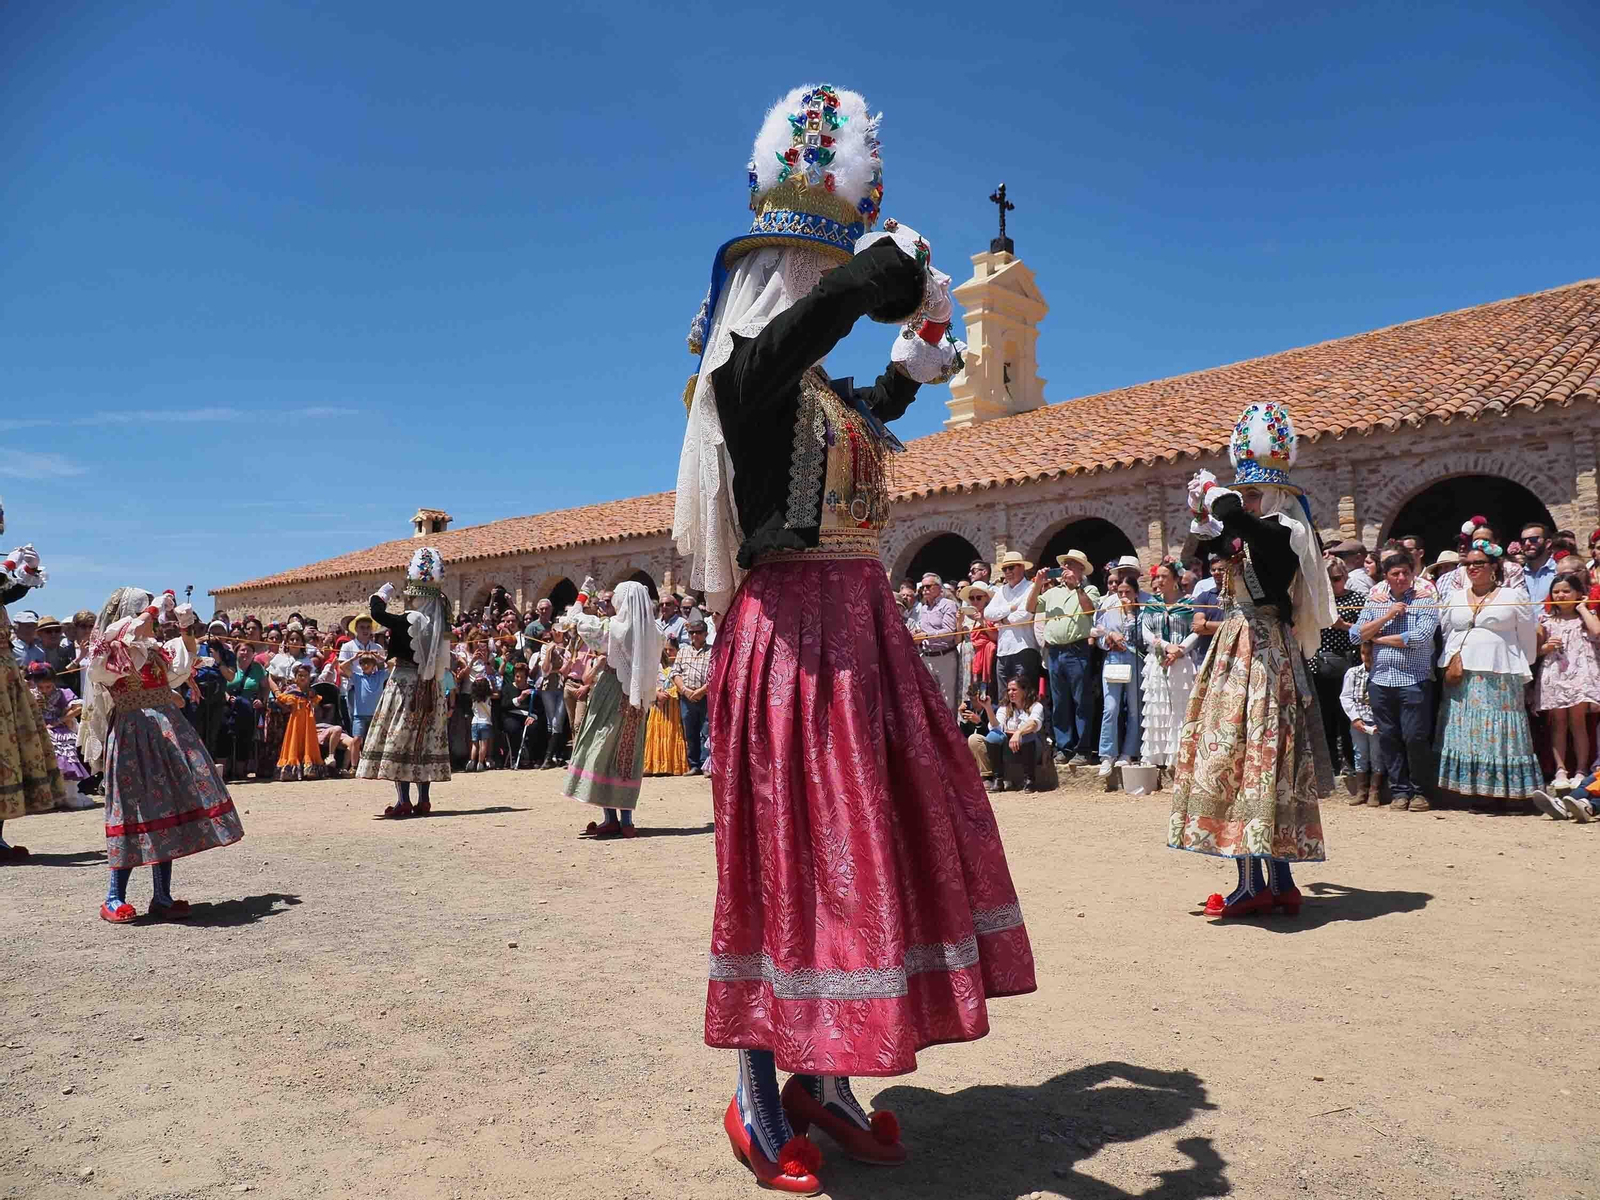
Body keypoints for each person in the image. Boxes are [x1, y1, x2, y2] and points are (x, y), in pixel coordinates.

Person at [672, 84, 1032, 1193]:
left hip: (860, 640)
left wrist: (903, 378)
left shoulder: (818, 395)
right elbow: (767, 361)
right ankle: (753, 1096)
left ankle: (825, 1083)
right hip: (791, 647)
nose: (817, 297)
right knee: (789, 867)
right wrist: (870, 276)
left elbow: (844, 425)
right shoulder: (750, 378)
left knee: (861, 859)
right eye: (809, 284)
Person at [1171, 401, 1337, 917]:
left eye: (1255, 492)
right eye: (1244, 492)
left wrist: (1224, 504)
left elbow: (1257, 540)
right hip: (1241, 646)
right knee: (1244, 756)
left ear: (1275, 492)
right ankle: (1274, 881)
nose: (1248, 499)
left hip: (1264, 650)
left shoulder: (1286, 532)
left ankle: (1259, 883)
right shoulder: (1250, 528)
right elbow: (1196, 553)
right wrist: (1201, 511)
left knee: (1255, 757)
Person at [83, 589, 243, 921]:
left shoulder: (154, 651)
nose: (153, 620)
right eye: (145, 613)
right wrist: (151, 613)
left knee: (165, 806)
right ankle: (113, 897)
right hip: (132, 735)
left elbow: (179, 668)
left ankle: (162, 896)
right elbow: (111, 659)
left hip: (166, 732)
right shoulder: (111, 651)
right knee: (133, 811)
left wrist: (186, 630)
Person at [1429, 539, 1541, 810]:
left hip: (1500, 673)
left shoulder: (1513, 596)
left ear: (1493, 566)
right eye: (1467, 563)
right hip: (1462, 674)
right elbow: (1446, 632)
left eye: (1478, 563)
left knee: (1497, 729)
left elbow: (1527, 636)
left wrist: (1524, 667)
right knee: (1466, 729)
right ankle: (1471, 791)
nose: (1472, 568)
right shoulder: (1455, 597)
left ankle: (1501, 791)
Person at [356, 547, 453, 818]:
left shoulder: (411, 619)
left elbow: (379, 615)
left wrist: (380, 595)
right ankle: (424, 800)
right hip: (432, 685)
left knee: (400, 740)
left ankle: (403, 801)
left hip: (405, 685)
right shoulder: (440, 620)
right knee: (423, 742)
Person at [563, 580, 662, 836]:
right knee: (626, 752)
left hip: (611, 691)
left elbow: (572, 618)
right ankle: (626, 820)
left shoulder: (612, 628)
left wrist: (584, 593)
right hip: (636, 698)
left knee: (601, 747)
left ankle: (610, 817)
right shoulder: (654, 632)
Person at [1354, 551, 1441, 812]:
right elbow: (1357, 635)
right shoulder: (1376, 601)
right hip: (1380, 680)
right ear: (1386, 577)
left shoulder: (1425, 600)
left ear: (1413, 574)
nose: (1401, 577)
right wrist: (1388, 615)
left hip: (1414, 679)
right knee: (1389, 737)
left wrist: (1377, 638)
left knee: (1415, 737)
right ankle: (1399, 791)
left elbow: (1421, 637)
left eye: (1406, 572)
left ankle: (1420, 792)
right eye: (1395, 574)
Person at [0, 539, 65, 858]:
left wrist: (25, 572)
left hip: (5, 674)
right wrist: (11, 568)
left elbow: (6, 593)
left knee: (9, 753)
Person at [1028, 550, 1100, 765]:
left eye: (1071, 564)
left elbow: (1089, 610)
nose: (1066, 568)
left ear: (1080, 570)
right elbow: (1030, 607)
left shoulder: (1089, 589)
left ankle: (1083, 749)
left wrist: (1077, 586)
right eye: (1064, 564)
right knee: (1059, 702)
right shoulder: (1051, 593)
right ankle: (1064, 747)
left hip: (1077, 650)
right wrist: (1038, 584)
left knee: (1081, 701)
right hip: (1055, 652)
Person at [1534, 571, 1600, 790]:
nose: (1560, 595)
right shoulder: (1545, 619)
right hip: (1555, 674)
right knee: (1558, 724)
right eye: (1556, 591)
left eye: (1566, 591)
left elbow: (1597, 631)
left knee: (1578, 722)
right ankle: (1560, 770)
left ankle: (1581, 769)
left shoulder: (1586, 616)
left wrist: (1582, 607)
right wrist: (1547, 647)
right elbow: (1536, 650)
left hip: (1580, 673)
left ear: (1578, 593)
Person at [1139, 561, 1197, 771]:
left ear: (1175, 580)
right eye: (1157, 577)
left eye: (1164, 576)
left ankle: (1179, 757)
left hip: (1181, 659)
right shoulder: (1152, 604)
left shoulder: (1189, 603)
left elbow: (1196, 629)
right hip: (1157, 659)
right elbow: (1146, 631)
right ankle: (1157, 757)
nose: (1159, 581)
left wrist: (1180, 649)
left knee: (1180, 706)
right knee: (1157, 705)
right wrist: (1165, 646)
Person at [1314, 559, 1364, 774]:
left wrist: (1342, 626)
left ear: (1345, 577)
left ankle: (1351, 763)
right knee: (1325, 716)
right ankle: (1330, 765)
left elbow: (1366, 631)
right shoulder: (1317, 600)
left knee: (1347, 715)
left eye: (1336, 578)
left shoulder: (1357, 599)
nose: (1333, 583)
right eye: (1328, 579)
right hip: (1319, 664)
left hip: (1348, 664)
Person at [1091, 575, 1144, 776]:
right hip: (1113, 659)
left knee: (1134, 708)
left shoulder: (1142, 608)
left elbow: (1138, 636)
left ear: (1135, 593)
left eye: (1127, 592)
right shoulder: (1108, 606)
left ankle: (1128, 752)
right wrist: (1109, 639)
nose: (1122, 595)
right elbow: (1098, 636)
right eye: (1120, 592)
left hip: (1134, 658)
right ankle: (1107, 755)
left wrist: (1130, 613)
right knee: (1111, 707)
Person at [983, 551, 1042, 694]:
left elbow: (1025, 615)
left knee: (1025, 696)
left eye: (1011, 568)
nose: (1007, 572)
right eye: (1005, 569)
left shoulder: (1030, 587)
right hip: (1003, 651)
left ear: (1022, 567)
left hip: (1024, 648)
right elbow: (987, 614)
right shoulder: (1001, 590)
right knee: (1005, 697)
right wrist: (1010, 608)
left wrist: (1002, 619)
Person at [25, 663, 89, 790]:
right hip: (37, 727)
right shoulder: (30, 694)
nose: (44, 690)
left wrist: (59, 720)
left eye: (48, 686)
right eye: (41, 687)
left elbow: (79, 708)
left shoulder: (63, 693)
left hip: (58, 728)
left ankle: (66, 790)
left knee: (64, 751)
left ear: (54, 682)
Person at [977, 674, 1043, 792]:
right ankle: (998, 780)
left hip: (1031, 748)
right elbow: (997, 727)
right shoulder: (1005, 708)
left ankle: (1030, 780)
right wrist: (988, 708)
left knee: (1028, 734)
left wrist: (1018, 733)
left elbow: (1033, 724)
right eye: (1008, 690)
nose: (1010, 693)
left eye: (1014, 689)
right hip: (1010, 748)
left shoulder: (1036, 706)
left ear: (1024, 690)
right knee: (993, 736)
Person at [913, 572, 962, 712]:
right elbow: (921, 629)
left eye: (928, 586)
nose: (925, 590)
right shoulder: (922, 608)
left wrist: (926, 635)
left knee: (947, 701)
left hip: (945, 656)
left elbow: (949, 633)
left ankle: (950, 732)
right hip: (927, 657)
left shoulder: (948, 605)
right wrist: (917, 633)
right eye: (922, 587)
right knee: (929, 700)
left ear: (939, 588)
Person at [268, 663, 325, 781]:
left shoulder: (312, 692)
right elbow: (279, 699)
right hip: (295, 722)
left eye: (305, 675)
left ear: (310, 677)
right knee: (294, 741)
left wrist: (311, 699)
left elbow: (316, 703)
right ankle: (292, 769)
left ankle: (309, 769)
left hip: (308, 722)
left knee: (308, 743)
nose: (303, 677)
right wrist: (287, 709)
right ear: (295, 677)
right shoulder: (292, 690)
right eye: (300, 675)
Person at [1341, 641, 1381, 806]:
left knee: (1377, 755)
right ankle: (1361, 791)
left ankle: (1375, 791)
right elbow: (1346, 696)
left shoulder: (1382, 673)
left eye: (1371, 653)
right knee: (1360, 754)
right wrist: (1355, 718)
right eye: (1364, 653)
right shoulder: (1353, 672)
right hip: (1359, 721)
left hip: (1377, 721)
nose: (1368, 657)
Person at [670, 617, 712, 775]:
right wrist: (686, 691)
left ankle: (705, 765)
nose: (694, 635)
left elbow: (714, 676)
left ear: (705, 634)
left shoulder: (712, 650)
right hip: (686, 697)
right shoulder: (683, 651)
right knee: (690, 732)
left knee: (706, 731)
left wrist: (700, 691)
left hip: (706, 696)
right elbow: (675, 673)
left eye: (698, 632)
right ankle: (693, 764)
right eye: (691, 632)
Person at [645, 645, 690, 777]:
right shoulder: (651, 667)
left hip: (672, 707)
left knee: (672, 733)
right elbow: (644, 684)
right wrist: (656, 693)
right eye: (665, 649)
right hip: (657, 707)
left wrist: (670, 693)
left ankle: (672, 765)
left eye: (671, 650)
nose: (667, 652)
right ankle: (655, 766)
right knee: (656, 733)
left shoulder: (678, 667)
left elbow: (682, 685)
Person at [535, 627, 569, 769]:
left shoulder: (569, 646)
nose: (557, 632)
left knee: (557, 721)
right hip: (548, 687)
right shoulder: (545, 647)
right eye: (555, 630)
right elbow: (545, 669)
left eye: (560, 630)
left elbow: (566, 669)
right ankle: (554, 756)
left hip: (563, 686)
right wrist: (549, 651)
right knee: (551, 722)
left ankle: (548, 758)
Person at [1188, 555, 1228, 668]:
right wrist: (1225, 627)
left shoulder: (1237, 597)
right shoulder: (1203, 596)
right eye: (1213, 570)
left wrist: (1206, 624)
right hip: (1206, 655)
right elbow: (1197, 628)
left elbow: (1237, 626)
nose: (1216, 572)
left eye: (1221, 569)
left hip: (1230, 654)